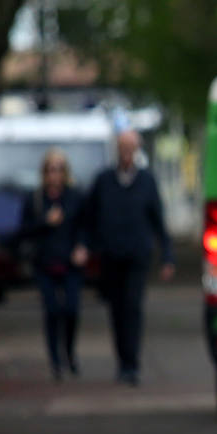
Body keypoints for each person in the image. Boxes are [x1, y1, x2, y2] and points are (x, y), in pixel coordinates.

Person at [75, 129, 174, 385]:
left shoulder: (146, 181)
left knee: (132, 307)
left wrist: (167, 256)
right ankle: (122, 361)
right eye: (123, 148)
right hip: (111, 255)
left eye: (131, 148)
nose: (127, 153)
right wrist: (84, 245)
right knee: (116, 309)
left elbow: (159, 221)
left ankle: (132, 364)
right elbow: (89, 218)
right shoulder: (104, 180)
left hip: (137, 255)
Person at [18, 149, 86, 380]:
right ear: (44, 172)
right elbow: (23, 230)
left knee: (72, 309)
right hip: (45, 264)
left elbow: (84, 227)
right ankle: (55, 361)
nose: (54, 174)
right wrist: (45, 222)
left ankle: (69, 352)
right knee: (51, 310)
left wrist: (82, 246)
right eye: (50, 169)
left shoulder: (74, 196)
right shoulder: (35, 199)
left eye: (58, 169)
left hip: (70, 264)